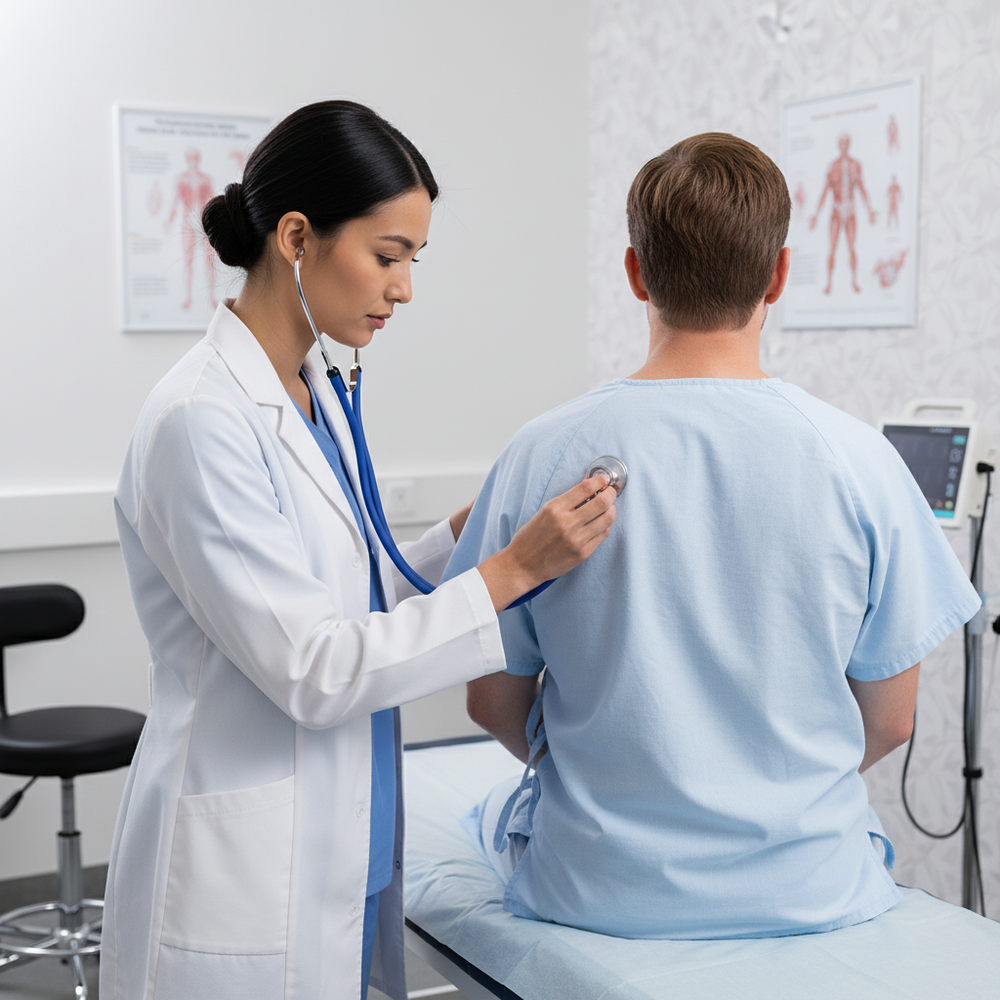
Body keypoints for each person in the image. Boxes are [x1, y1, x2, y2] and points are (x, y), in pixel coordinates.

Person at [103, 100, 617, 1000]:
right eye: (388, 256)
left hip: (342, 830)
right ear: (296, 237)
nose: (405, 288)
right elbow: (314, 665)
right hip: (239, 873)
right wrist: (514, 571)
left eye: (415, 260)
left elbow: (343, 589)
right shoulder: (202, 421)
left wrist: (468, 532)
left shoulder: (313, 391)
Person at [445, 133, 981, 940]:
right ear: (780, 275)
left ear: (635, 273)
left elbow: (491, 700)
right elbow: (893, 722)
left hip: (595, 889)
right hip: (813, 889)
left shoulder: (541, 453)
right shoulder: (858, 458)